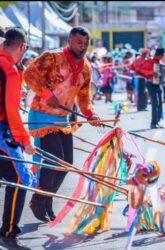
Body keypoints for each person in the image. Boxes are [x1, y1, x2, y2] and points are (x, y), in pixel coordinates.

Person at [23, 26, 101, 223]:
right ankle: (39, 198)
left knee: (66, 164)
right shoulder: (52, 57)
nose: (82, 47)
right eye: (78, 42)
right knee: (55, 159)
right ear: (69, 40)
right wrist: (47, 95)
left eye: (85, 44)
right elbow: (30, 75)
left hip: (63, 118)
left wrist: (90, 114)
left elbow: (84, 97)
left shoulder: (86, 68)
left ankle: (47, 200)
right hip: (42, 115)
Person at [0, 27, 36, 250]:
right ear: (22, 47)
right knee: (19, 178)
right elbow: (12, 112)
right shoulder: (9, 71)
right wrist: (25, 141)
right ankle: (8, 232)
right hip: (3, 131)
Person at [140, 48, 165, 129]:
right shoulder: (149, 60)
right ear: (159, 55)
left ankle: (157, 121)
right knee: (155, 103)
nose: (162, 58)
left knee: (160, 103)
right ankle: (153, 123)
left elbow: (162, 73)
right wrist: (152, 72)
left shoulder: (160, 63)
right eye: (162, 56)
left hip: (158, 84)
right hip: (150, 83)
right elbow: (142, 70)